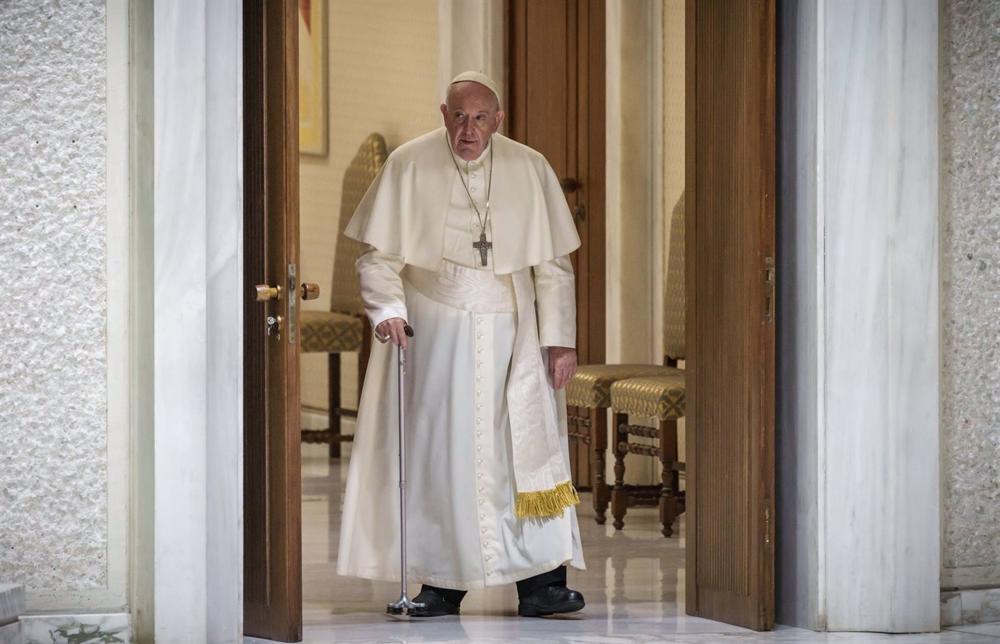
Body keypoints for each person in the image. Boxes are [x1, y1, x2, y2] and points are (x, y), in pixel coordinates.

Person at [337, 70, 585, 618]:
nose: (467, 130)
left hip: (514, 329)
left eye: (479, 117)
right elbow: (378, 260)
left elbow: (554, 266)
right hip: (437, 328)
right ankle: (442, 584)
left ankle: (541, 582)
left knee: (522, 450)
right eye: (457, 116)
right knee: (441, 452)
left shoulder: (529, 167)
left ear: (498, 119)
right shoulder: (408, 164)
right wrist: (389, 311)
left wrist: (560, 340)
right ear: (442, 115)